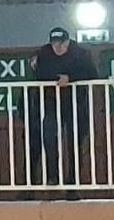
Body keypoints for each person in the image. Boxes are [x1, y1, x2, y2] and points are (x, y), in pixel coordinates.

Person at [29, 27, 97, 194]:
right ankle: (53, 177)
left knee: (75, 141)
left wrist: (70, 78)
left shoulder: (80, 54)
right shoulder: (44, 53)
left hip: (75, 103)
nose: (58, 47)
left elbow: (92, 73)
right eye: (54, 44)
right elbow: (39, 72)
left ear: (68, 42)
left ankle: (72, 180)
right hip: (51, 103)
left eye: (61, 43)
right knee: (49, 138)